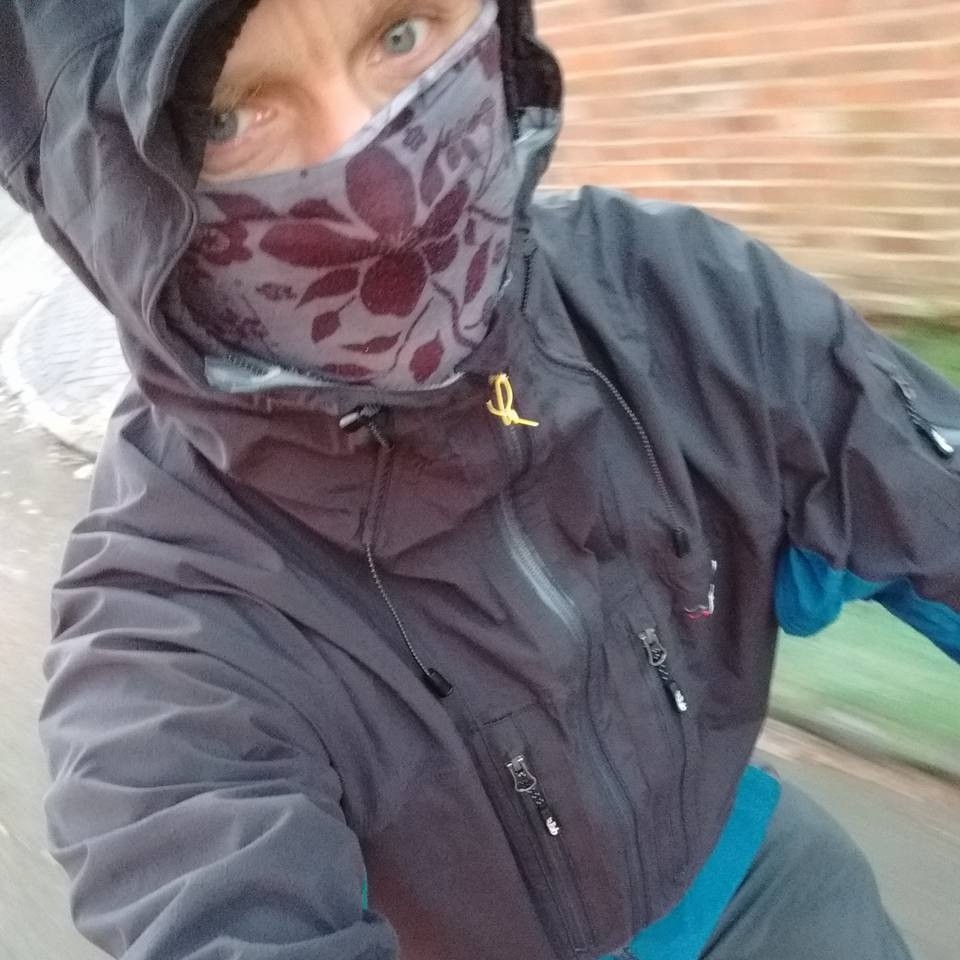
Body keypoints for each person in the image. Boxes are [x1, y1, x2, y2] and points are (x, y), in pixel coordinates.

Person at [2, 0, 957, 957]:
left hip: (764, 883)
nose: (381, 194)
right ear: (115, 210)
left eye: (401, 34)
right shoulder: (168, 630)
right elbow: (202, 886)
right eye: (227, 118)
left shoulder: (677, 301)